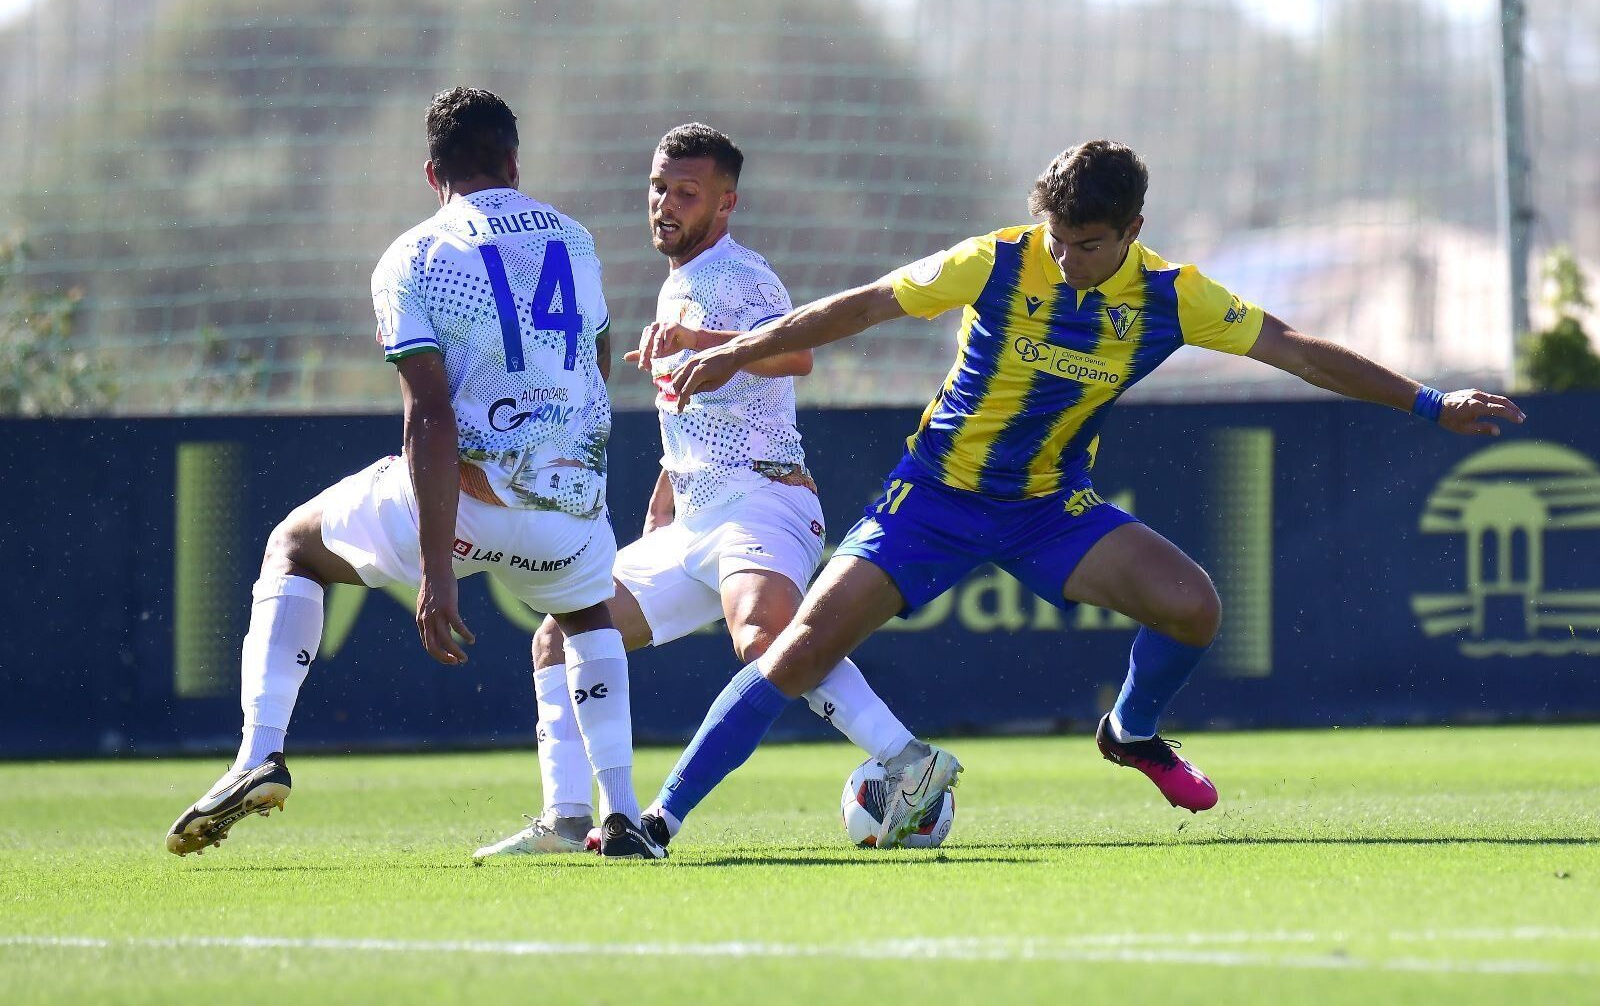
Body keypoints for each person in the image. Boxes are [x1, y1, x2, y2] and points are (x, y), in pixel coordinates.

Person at [643, 139, 1526, 850]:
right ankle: (660, 820)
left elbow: (1296, 350)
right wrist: (741, 348)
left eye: (1089, 246)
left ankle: (1131, 730)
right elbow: (866, 306)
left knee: (1193, 608)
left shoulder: (1175, 297)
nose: (1065, 260)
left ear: (1133, 228)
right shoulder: (996, 260)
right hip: (936, 498)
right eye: (1057, 239)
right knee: (794, 653)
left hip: (1046, 509)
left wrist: (1428, 401)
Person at [165, 87, 663, 860]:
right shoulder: (576, 238)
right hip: (571, 501)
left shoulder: (416, 255)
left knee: (294, 546)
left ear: (433, 173)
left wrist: (436, 573)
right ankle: (622, 814)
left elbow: (428, 414)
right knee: (586, 614)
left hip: (467, 503)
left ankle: (256, 754)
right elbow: (597, 366)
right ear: (513, 161)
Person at [474, 123, 916, 857]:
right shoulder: (679, 281)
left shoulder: (740, 274)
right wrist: (664, 495)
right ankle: (565, 817)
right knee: (560, 634)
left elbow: (797, 353)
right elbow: (698, 407)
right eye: (658, 188)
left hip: (764, 501)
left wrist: (700, 343)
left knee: (765, 636)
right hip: (694, 518)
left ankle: (907, 761)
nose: (666, 205)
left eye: (687, 193)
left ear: (726, 203)